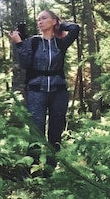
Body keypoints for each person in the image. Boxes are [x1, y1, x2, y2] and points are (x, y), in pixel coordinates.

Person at [8, 9, 80, 173]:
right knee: (36, 131)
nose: (40, 21)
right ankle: (31, 170)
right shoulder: (33, 42)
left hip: (59, 91)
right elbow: (25, 64)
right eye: (38, 19)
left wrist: (59, 26)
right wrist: (19, 42)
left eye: (44, 18)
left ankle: (50, 170)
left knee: (55, 132)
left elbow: (75, 28)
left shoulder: (60, 42)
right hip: (36, 91)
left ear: (53, 21)